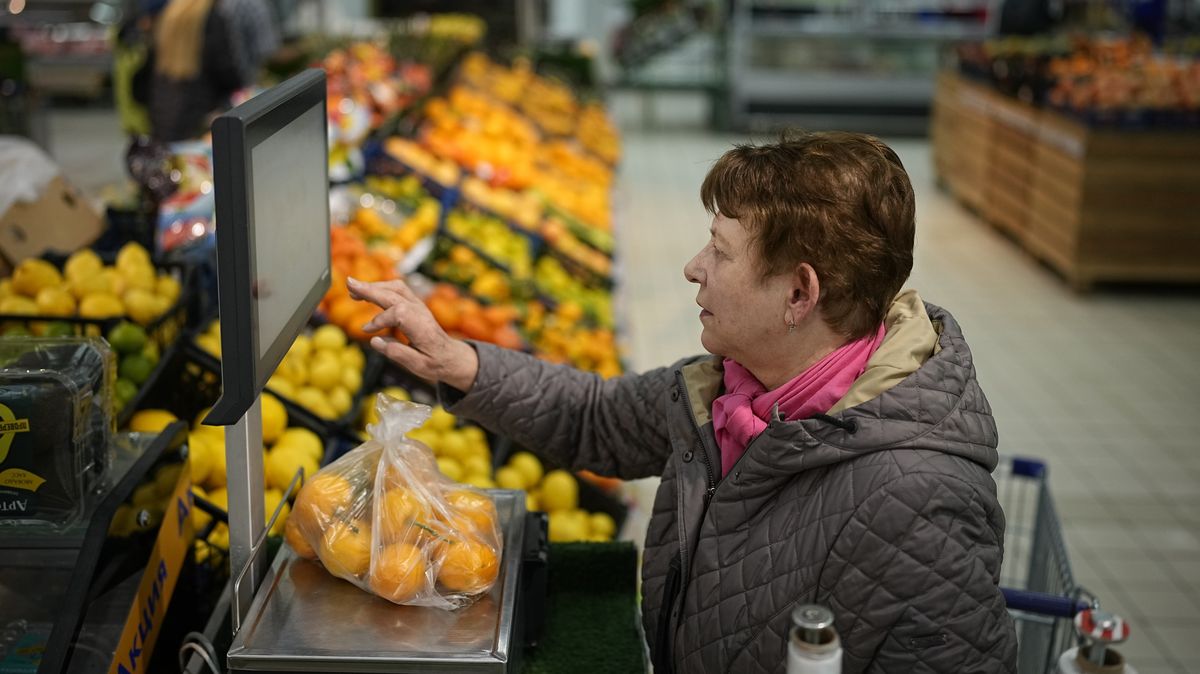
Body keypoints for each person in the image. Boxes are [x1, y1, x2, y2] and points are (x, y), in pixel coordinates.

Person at [348, 132, 1019, 673]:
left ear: (798, 295)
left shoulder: (916, 503)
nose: (694, 267)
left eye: (720, 252)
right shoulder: (732, 388)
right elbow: (596, 420)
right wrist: (456, 360)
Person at [148, 0, 242, 142]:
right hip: (200, 113)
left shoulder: (171, 12)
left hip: (164, 109)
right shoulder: (210, 16)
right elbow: (224, 66)